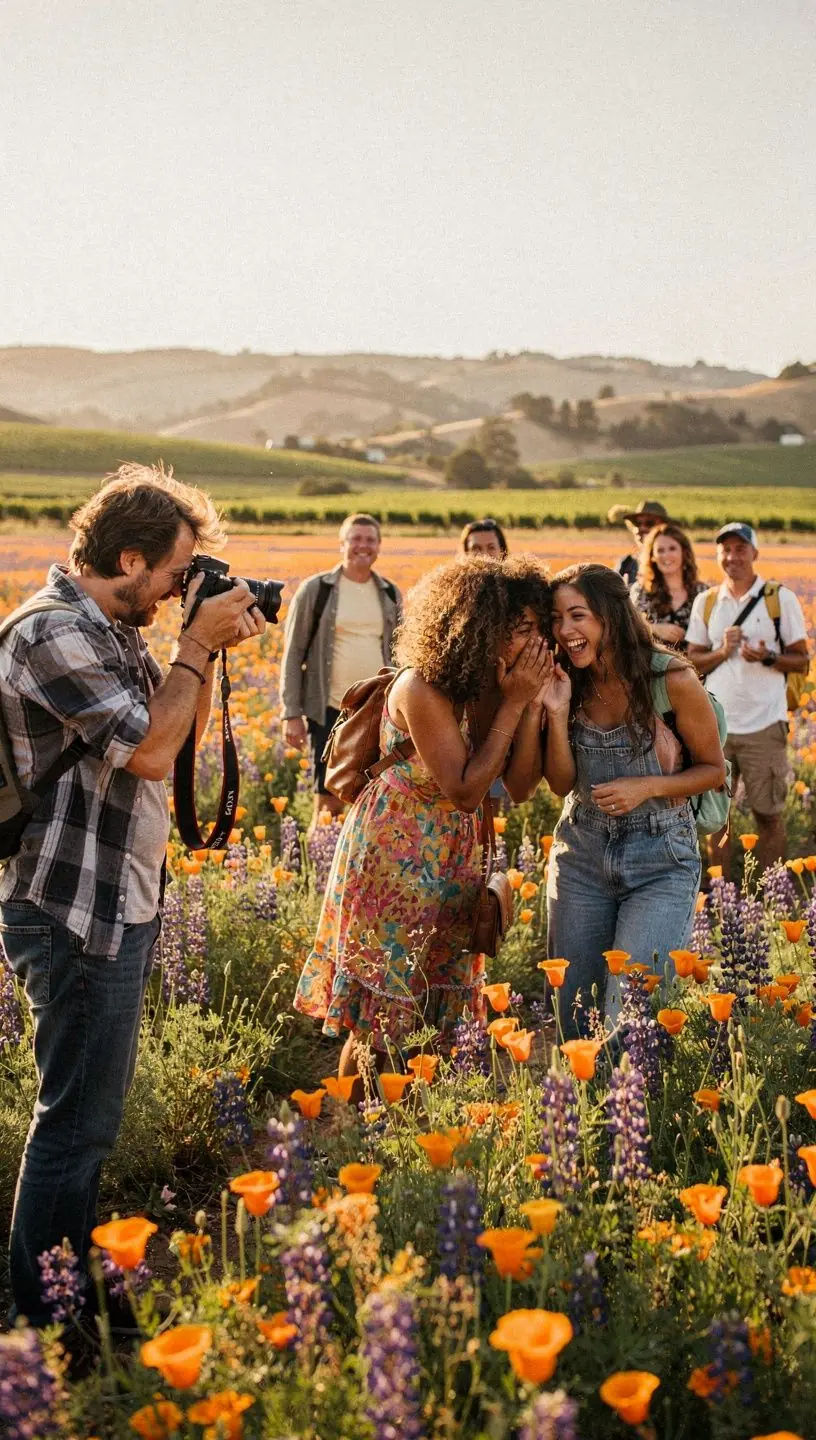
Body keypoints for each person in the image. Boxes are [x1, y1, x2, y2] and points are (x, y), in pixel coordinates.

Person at [0, 464, 266, 1326]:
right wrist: (194, 647)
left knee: (90, 1127)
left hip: (118, 900)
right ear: (126, 556)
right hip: (70, 909)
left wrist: (201, 648)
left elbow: (166, 729)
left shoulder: (110, 625)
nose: (179, 591)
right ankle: (50, 1319)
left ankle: (72, 1285)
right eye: (175, 572)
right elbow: (151, 752)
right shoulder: (48, 635)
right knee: (72, 1125)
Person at [293, 556, 551, 1076]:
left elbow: (521, 787)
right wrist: (513, 704)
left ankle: (410, 1128)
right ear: (479, 627)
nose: (536, 643)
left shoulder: (494, 686)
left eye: (537, 629)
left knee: (436, 1005)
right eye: (522, 629)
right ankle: (364, 1125)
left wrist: (527, 706)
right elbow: (464, 790)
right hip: (394, 856)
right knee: (382, 1018)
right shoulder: (421, 687)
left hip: (453, 858)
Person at [540, 563, 725, 1038]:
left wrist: (647, 787)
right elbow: (561, 784)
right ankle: (582, 1112)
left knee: (634, 1019)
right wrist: (557, 712)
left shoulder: (671, 679)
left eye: (577, 615)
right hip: (581, 854)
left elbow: (713, 769)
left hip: (660, 857)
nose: (565, 631)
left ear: (609, 615)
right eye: (558, 619)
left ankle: (636, 1110)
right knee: (574, 1014)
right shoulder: (568, 683)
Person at [686, 522, 809, 873]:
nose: (732, 556)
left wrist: (769, 657)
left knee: (767, 814)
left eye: (741, 549)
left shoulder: (778, 599)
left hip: (764, 725)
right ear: (718, 555)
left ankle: (769, 886)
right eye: (726, 549)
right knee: (715, 817)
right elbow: (692, 658)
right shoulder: (707, 602)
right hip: (715, 726)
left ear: (755, 553)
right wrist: (723, 652)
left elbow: (802, 659)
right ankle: (722, 887)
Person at [280, 513, 401, 831]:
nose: (363, 546)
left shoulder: (389, 593)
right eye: (355, 539)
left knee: (373, 796)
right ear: (342, 544)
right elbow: (293, 654)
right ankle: (320, 865)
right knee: (328, 798)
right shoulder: (316, 590)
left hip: (378, 710)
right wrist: (291, 712)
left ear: (379, 546)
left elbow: (399, 654)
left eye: (370, 540)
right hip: (332, 710)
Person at [630, 523, 708, 649]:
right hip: (651, 666)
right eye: (660, 550)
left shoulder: (703, 592)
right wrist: (654, 628)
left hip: (697, 667)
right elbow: (627, 628)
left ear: (684, 552)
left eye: (672, 549)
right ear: (652, 557)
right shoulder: (641, 591)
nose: (666, 555)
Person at [610, 499, 673, 586]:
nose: (641, 528)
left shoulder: (673, 564)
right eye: (637, 524)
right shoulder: (626, 564)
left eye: (649, 523)